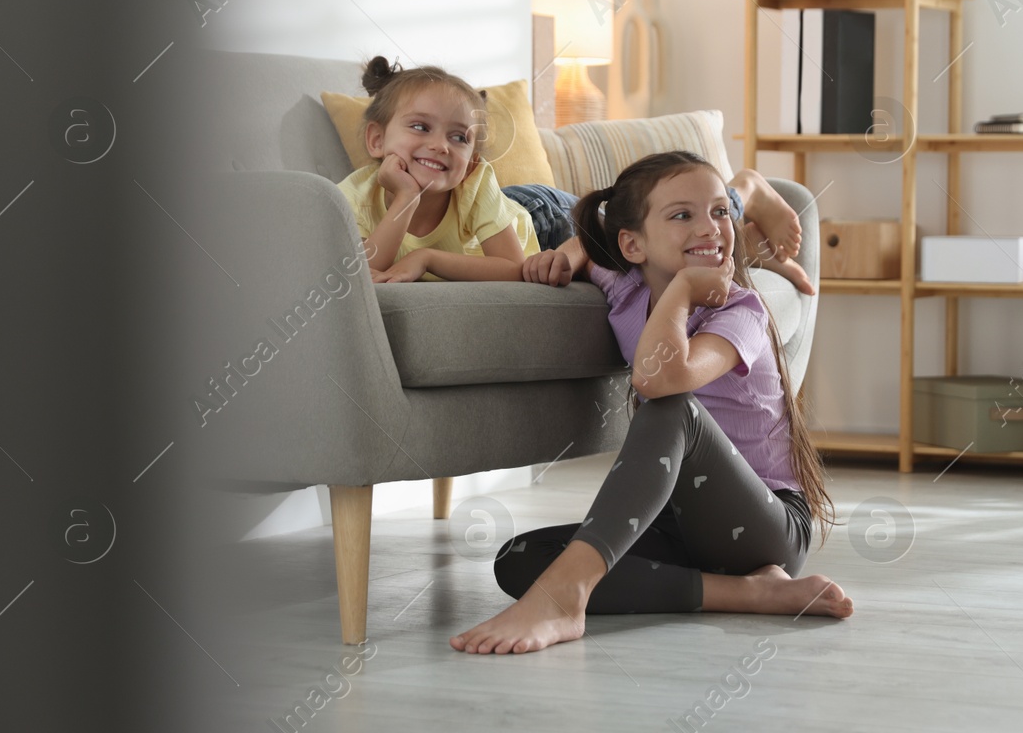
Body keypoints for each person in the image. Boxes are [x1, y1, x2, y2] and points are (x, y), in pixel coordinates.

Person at [451, 151, 853, 656]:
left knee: (672, 406)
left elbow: (662, 379)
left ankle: (567, 596)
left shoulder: (741, 310)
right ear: (633, 244)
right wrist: (571, 254)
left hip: (764, 527)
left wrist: (685, 286)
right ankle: (749, 592)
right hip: (677, 523)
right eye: (683, 215)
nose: (710, 228)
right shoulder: (624, 286)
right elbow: (595, 250)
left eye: (720, 212)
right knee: (519, 558)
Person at [336, 57, 814, 292]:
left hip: (546, 221)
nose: (441, 146)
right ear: (377, 141)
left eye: (459, 137)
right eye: (421, 128)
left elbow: (514, 268)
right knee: (651, 258)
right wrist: (404, 202)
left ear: (473, 157)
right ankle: (744, 248)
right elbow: (365, 273)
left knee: (639, 225)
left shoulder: (474, 184)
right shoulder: (353, 196)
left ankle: (744, 190)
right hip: (532, 238)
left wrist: (426, 261)